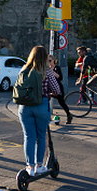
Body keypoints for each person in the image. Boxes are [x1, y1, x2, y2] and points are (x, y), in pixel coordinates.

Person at [17, 46, 61, 177]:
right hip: (41, 105)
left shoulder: (24, 69)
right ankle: (39, 166)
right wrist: (50, 93)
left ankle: (29, 167)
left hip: (24, 107)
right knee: (41, 136)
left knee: (28, 137)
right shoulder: (46, 71)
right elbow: (57, 90)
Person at [49, 55, 72, 124]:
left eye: (50, 61)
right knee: (45, 100)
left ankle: (69, 115)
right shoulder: (47, 68)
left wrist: (52, 72)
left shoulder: (57, 68)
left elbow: (60, 78)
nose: (49, 62)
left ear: (54, 60)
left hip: (58, 88)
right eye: (47, 61)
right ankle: (48, 117)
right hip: (50, 88)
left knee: (61, 102)